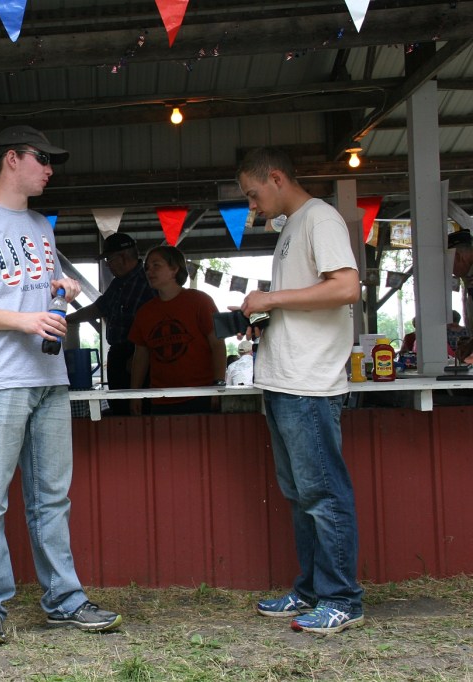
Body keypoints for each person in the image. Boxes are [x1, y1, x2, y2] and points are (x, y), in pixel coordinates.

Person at [0, 125, 122, 646]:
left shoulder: (41, 224)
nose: (50, 168)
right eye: (43, 158)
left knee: (51, 497)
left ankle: (64, 599)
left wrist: (62, 288)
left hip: (49, 377)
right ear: (11, 160)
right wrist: (24, 321)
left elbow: (35, 296)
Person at [238, 147, 364, 634]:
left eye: (253, 194)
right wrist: (269, 317)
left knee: (323, 494)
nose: (252, 206)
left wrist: (271, 298)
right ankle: (312, 588)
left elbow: (346, 287)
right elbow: (311, 298)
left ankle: (342, 598)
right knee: (300, 494)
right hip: (286, 378)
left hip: (310, 383)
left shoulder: (320, 218)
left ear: (276, 177)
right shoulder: (292, 226)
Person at [127, 246, 226, 415]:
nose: (149, 271)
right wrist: (135, 394)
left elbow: (218, 344)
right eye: (147, 267)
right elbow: (140, 356)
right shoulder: (144, 312)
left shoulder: (200, 301)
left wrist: (218, 386)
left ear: (174, 269)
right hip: (160, 398)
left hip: (200, 395)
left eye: (156, 265)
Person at [66, 233, 155, 415]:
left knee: (140, 410)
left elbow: (158, 324)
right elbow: (99, 308)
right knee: (120, 409)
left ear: (123, 257)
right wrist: (70, 319)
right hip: (118, 355)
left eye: (109, 259)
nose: (107, 264)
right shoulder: (118, 284)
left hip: (140, 354)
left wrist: (142, 357)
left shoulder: (149, 281)